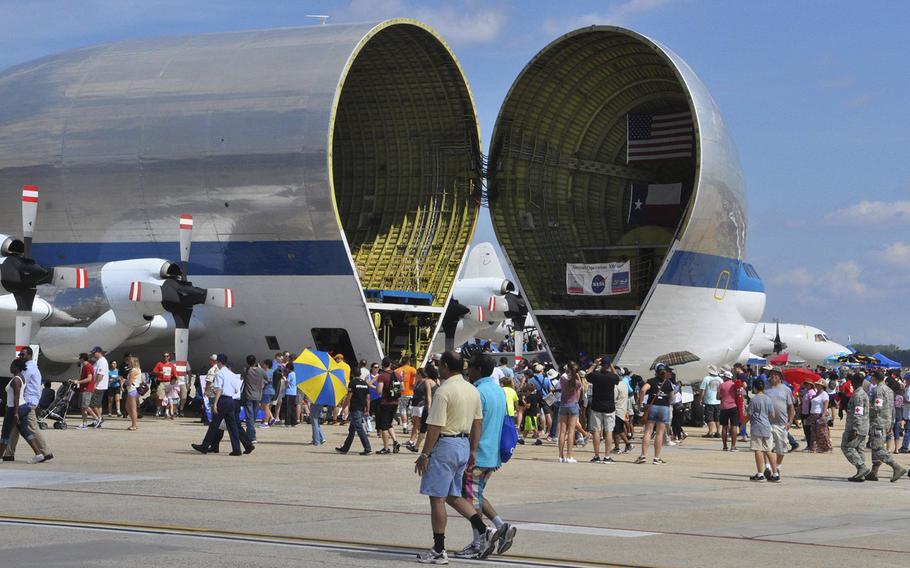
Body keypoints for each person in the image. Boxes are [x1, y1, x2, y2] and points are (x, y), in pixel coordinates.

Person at [414, 351, 495, 564]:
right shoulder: (472, 390)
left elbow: (435, 427)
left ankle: (439, 549)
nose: (439, 368)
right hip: (463, 445)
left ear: (447, 366)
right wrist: (473, 450)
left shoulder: (444, 391)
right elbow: (477, 423)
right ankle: (483, 529)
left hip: (446, 445)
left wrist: (425, 454)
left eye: (441, 365)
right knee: (453, 495)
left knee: (437, 499)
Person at [453, 354, 516, 559]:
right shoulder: (498, 390)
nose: (467, 371)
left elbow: (474, 424)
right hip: (492, 455)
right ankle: (501, 526)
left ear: (478, 369)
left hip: (477, 454)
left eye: (470, 367)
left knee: (469, 501)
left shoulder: (478, 392)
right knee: (476, 495)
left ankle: (479, 541)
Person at [192, 354, 250, 456]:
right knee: (233, 427)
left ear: (218, 362)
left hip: (222, 400)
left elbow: (219, 389)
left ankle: (205, 446)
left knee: (214, 425)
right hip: (231, 400)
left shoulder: (219, 374)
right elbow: (236, 389)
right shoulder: (232, 374)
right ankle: (237, 449)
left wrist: (215, 403)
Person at [4, 347, 53, 462]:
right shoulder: (31, 367)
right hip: (28, 401)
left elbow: (19, 386)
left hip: (27, 402)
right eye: (20, 355)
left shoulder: (27, 369)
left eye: (22, 355)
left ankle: (45, 452)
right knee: (14, 428)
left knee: (32, 428)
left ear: (29, 355)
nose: (20, 357)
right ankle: (8, 453)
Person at [865, 371, 908, 482]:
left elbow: (877, 407)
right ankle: (874, 471)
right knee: (877, 446)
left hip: (878, 421)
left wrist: (868, 409)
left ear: (875, 378)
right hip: (886, 421)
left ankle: (896, 467)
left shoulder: (878, 390)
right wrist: (892, 423)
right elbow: (892, 408)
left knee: (877, 447)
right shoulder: (889, 390)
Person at [635, 364, 674, 465]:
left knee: (648, 432)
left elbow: (643, 390)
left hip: (652, 407)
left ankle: (643, 456)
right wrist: (667, 403)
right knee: (660, 433)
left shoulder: (651, 381)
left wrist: (641, 403)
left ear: (656, 371)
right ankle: (656, 458)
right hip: (664, 408)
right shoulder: (668, 382)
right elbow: (671, 397)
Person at [586, 356, 619, 463]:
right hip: (609, 407)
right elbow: (617, 377)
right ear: (609, 365)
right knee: (609, 431)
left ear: (601, 365)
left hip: (597, 406)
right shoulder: (612, 377)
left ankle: (596, 455)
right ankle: (607, 456)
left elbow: (587, 375)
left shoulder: (596, 375)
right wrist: (612, 367)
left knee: (596, 431)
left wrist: (594, 364)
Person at [336, 360, 372, 455]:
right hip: (362, 408)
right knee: (352, 430)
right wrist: (367, 409)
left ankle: (367, 448)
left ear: (352, 374)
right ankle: (345, 448)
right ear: (360, 374)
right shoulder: (365, 384)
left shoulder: (352, 383)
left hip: (355, 408)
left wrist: (343, 407)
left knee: (359, 428)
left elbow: (349, 397)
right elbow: (368, 398)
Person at [746, 379, 779, 482]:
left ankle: (760, 473)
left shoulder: (753, 399)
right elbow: (772, 414)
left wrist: (743, 423)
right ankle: (775, 473)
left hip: (756, 427)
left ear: (755, 388)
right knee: (768, 450)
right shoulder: (768, 399)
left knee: (758, 450)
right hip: (766, 426)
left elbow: (749, 414)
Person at [765, 369, 795, 476]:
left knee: (781, 448)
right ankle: (767, 467)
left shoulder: (786, 390)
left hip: (781, 424)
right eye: (772, 374)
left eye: (776, 374)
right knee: (766, 447)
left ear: (780, 377)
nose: (774, 376)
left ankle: (777, 467)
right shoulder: (765, 388)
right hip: (766, 423)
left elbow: (791, 407)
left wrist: (790, 421)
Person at [842, 373, 871, 481]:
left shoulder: (858, 395)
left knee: (847, 446)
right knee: (859, 450)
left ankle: (861, 467)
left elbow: (858, 412)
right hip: (863, 426)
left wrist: (855, 429)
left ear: (853, 382)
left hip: (856, 427)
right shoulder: (863, 393)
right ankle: (861, 474)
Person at [556, 363, 582, 463]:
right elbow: (580, 387)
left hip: (563, 405)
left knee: (562, 431)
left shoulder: (563, 379)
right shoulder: (576, 382)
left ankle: (561, 456)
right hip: (573, 405)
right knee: (571, 431)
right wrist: (577, 375)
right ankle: (569, 456)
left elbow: (564, 374)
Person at [375, 357, 402, 454]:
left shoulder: (382, 376)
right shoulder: (398, 375)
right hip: (395, 402)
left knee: (384, 427)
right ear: (390, 364)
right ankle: (395, 441)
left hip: (385, 403)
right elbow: (400, 389)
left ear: (382, 364)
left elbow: (379, 391)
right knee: (389, 424)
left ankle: (386, 448)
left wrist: (376, 387)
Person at [241, 355, 267, 443]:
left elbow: (241, 377)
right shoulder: (261, 371)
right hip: (258, 396)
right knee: (253, 416)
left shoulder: (247, 370)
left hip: (248, 395)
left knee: (249, 416)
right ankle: (249, 434)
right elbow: (268, 379)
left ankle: (252, 436)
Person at [73, 352, 99, 429]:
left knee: (85, 406)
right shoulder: (84, 366)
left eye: (80, 358)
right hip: (83, 388)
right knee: (82, 407)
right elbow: (84, 378)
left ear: (82, 359)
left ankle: (97, 419)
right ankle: (84, 423)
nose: (79, 359)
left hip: (87, 389)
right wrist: (76, 380)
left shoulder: (88, 366)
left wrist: (78, 382)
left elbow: (89, 378)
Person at [406, 368, 430, 451]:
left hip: (421, 404)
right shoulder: (418, 382)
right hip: (415, 403)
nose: (415, 374)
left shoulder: (426, 381)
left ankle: (417, 441)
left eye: (417, 373)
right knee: (415, 423)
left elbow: (428, 394)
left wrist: (425, 403)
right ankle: (411, 440)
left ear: (420, 374)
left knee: (419, 424)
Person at [717, 370, 739, 452]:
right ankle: (733, 446)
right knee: (734, 426)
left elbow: (718, 397)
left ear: (725, 377)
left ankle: (725, 446)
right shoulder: (734, 385)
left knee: (724, 426)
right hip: (733, 406)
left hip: (723, 407)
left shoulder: (721, 385)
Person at [152, 352, 177, 418]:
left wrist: (175, 383)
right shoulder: (159, 364)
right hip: (161, 382)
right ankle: (158, 409)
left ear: (169, 357)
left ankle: (166, 412)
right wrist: (159, 372)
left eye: (167, 356)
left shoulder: (171, 365)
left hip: (169, 383)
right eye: (164, 356)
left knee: (169, 398)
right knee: (160, 397)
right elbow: (154, 372)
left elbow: (175, 375)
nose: (165, 357)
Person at [699, 365, 722, 438]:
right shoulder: (720, 379)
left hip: (709, 401)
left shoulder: (706, 378)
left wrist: (700, 399)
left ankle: (711, 432)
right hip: (718, 401)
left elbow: (702, 390)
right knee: (717, 417)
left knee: (709, 417)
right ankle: (718, 432)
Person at [89, 347, 110, 427]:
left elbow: (100, 375)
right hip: (98, 385)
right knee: (97, 404)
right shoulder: (98, 361)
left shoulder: (102, 362)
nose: (93, 354)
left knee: (93, 404)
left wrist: (95, 384)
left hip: (99, 386)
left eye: (94, 353)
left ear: (99, 352)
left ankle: (99, 418)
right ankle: (96, 420)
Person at [396, 356, 417, 433]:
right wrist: (414, 384)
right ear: (408, 362)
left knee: (403, 409)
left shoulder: (397, 370)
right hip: (411, 392)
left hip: (401, 393)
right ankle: (414, 424)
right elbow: (416, 377)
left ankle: (405, 426)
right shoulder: (412, 369)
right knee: (411, 410)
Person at [124, 356, 143, 431]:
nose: (128, 363)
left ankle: (134, 425)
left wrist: (124, 381)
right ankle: (134, 422)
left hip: (132, 390)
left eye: (129, 361)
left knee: (132, 409)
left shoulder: (133, 370)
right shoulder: (138, 369)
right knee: (127, 407)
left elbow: (129, 382)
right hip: (135, 390)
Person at [259, 359, 276, 428]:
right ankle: (271, 418)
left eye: (264, 364)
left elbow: (267, 381)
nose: (263, 365)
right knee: (265, 406)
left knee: (265, 406)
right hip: (271, 391)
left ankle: (266, 422)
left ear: (266, 365)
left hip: (267, 391)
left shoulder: (267, 372)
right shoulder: (272, 371)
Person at [283, 362, 299, 427]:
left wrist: (284, 379)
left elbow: (287, 383)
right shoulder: (295, 374)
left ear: (289, 368)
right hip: (294, 392)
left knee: (288, 408)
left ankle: (288, 422)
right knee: (292, 408)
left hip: (289, 392)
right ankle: (293, 422)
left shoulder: (290, 374)